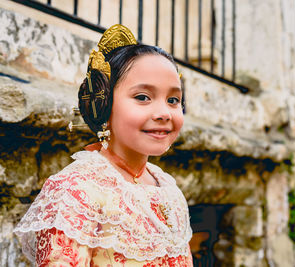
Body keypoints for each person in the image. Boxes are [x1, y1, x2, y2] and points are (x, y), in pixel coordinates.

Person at [14, 24, 193, 266]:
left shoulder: (169, 191)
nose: (164, 113)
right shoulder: (76, 192)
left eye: (173, 100)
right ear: (104, 102)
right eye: (143, 97)